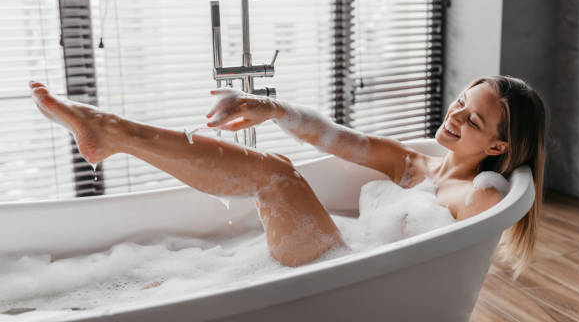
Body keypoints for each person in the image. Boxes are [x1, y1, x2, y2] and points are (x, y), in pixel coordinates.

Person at [27, 74, 546, 278]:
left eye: (471, 120)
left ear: (498, 146)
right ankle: (112, 132)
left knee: (275, 177)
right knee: (276, 174)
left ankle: (112, 131)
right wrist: (269, 108)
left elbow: (454, 264)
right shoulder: (413, 163)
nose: (453, 116)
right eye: (459, 103)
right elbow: (334, 137)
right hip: (341, 258)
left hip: (348, 273)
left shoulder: (479, 195)